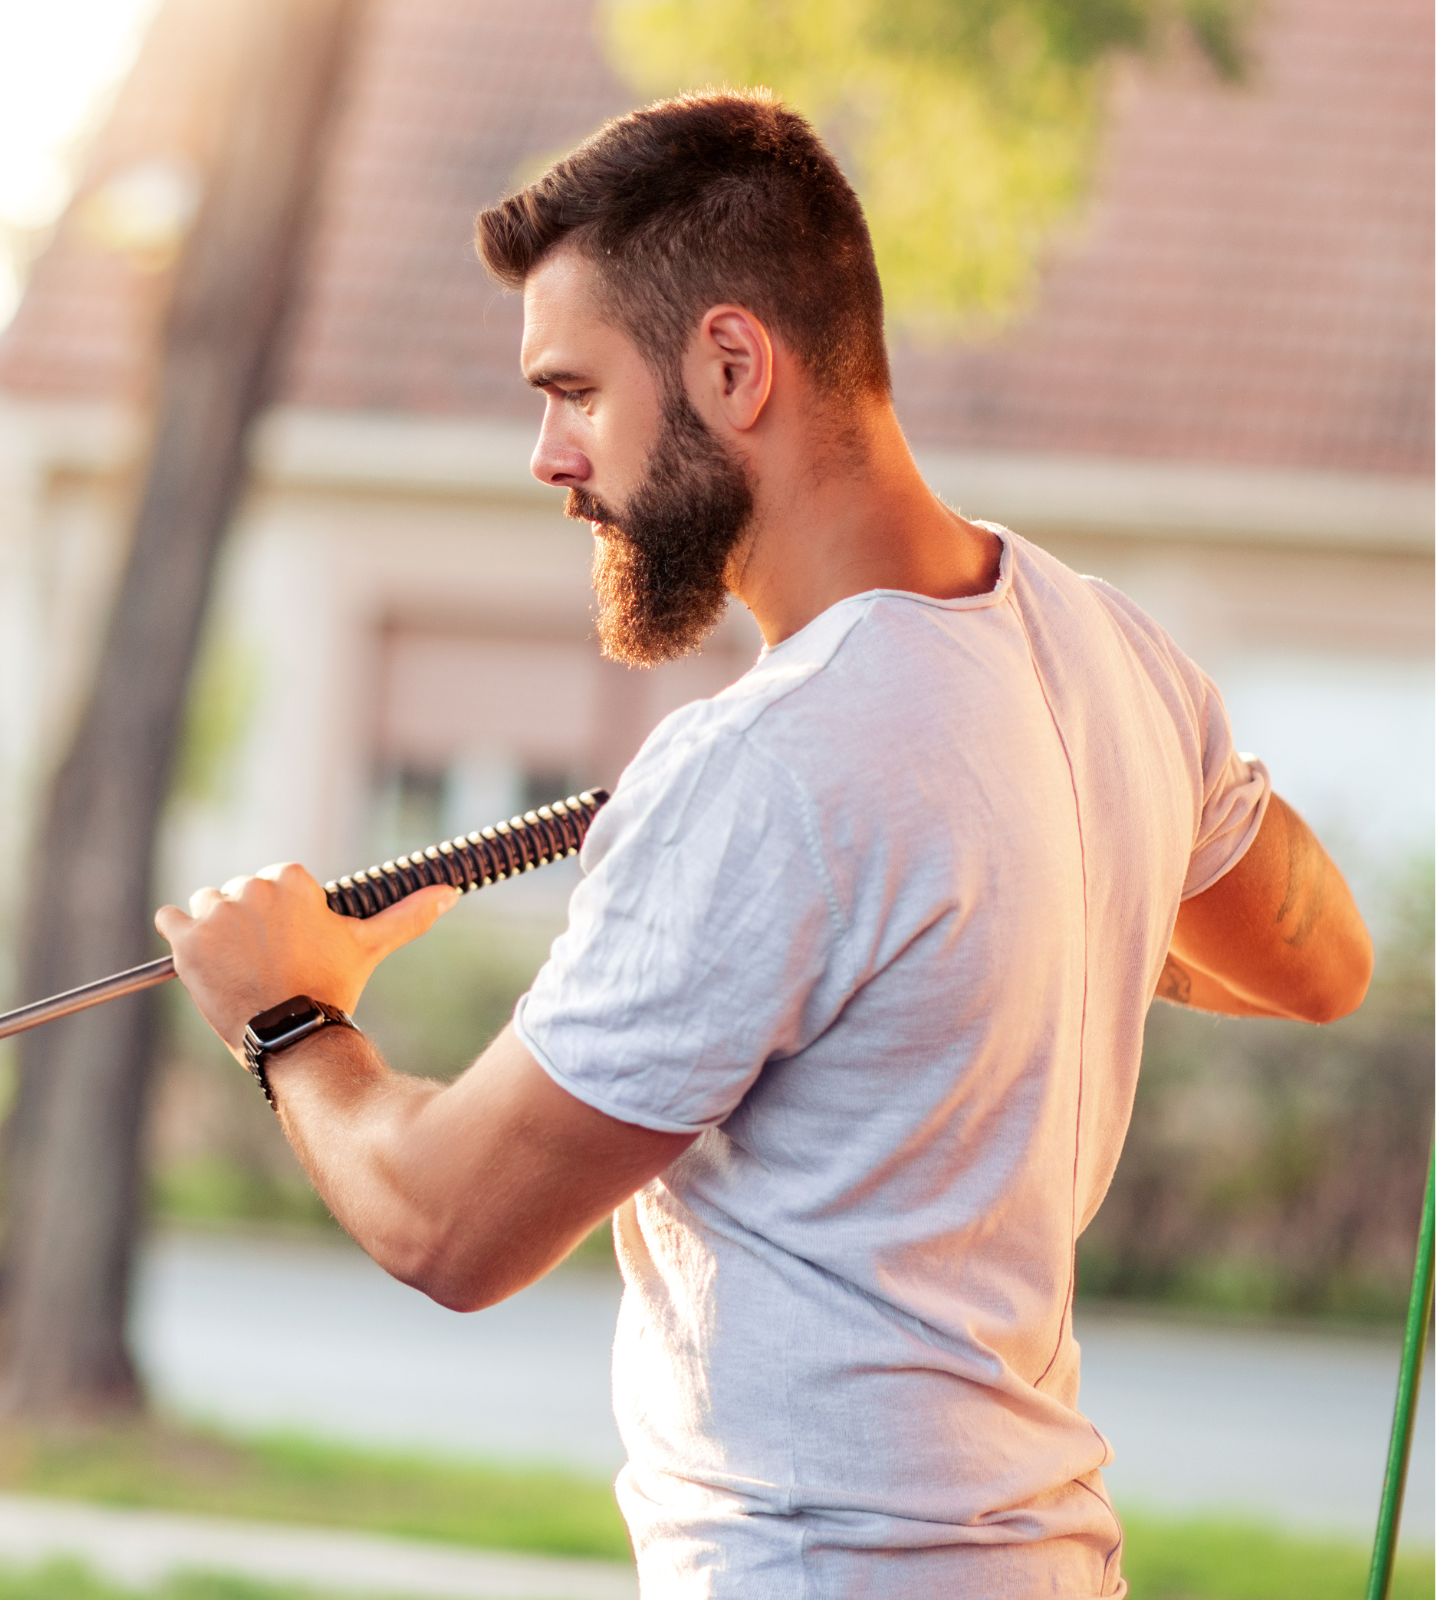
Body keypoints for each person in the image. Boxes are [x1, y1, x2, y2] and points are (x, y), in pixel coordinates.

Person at [153, 90, 1375, 1597]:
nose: (547, 455)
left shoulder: (762, 765)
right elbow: (1325, 962)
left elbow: (448, 1224)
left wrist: (287, 1012)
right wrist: (1054, 907)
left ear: (733, 364)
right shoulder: (1114, 652)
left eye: (574, 391)